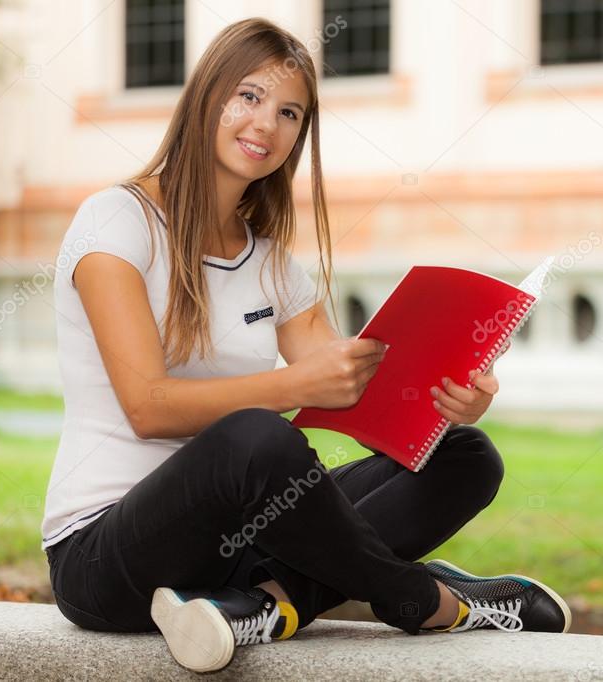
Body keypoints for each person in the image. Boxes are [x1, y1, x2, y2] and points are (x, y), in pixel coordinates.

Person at [41, 18, 570, 673]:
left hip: (231, 554)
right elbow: (147, 406)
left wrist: (449, 393)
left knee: (463, 456)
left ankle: (271, 603)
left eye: (289, 111)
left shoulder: (273, 266)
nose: (266, 123)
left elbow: (355, 394)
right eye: (249, 96)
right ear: (206, 96)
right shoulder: (114, 222)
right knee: (257, 440)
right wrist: (292, 388)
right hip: (105, 556)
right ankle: (427, 599)